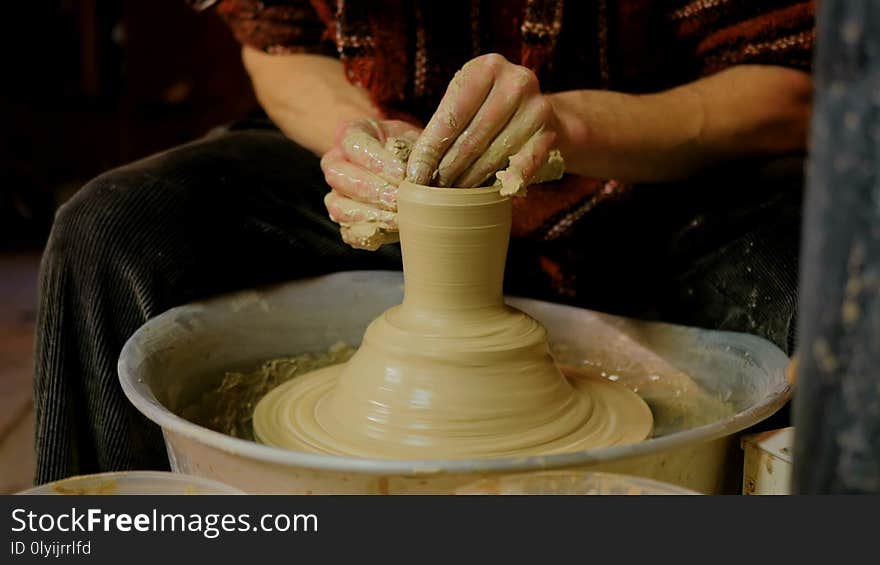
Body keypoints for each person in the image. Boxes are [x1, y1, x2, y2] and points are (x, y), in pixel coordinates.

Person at [34, 0, 815, 483]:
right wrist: (362, 139)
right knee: (113, 233)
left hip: (648, 173)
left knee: (828, 289)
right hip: (378, 161)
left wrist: (574, 128)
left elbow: (786, 91)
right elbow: (278, 44)